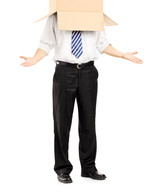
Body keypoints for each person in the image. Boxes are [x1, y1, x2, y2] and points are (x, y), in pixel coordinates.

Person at [20, 12, 143, 183]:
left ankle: (88, 167)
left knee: (88, 122)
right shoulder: (56, 17)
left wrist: (122, 54)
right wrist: (35, 58)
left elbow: (102, 43)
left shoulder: (94, 14)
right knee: (62, 123)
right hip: (64, 72)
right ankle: (62, 169)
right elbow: (46, 43)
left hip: (88, 72)